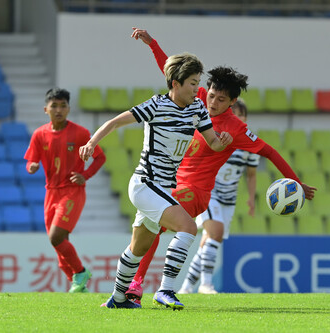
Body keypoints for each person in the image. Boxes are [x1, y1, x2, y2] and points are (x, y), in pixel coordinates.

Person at [125, 27, 317, 302]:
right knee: (148, 228)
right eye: (212, 95)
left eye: (221, 100)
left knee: (156, 224)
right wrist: (152, 43)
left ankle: (147, 287)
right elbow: (172, 75)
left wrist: (296, 181)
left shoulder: (236, 128)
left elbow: (271, 152)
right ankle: (143, 285)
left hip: (197, 190)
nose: (213, 103)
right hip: (172, 181)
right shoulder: (198, 98)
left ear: (233, 102)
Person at [79, 52, 233, 310]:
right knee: (188, 228)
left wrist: (223, 142)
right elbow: (115, 122)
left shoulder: (197, 108)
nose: (199, 89)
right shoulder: (156, 106)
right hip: (144, 183)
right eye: (193, 83)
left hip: (162, 188)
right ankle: (166, 290)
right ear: (176, 83)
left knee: (137, 248)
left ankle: (117, 299)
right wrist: (91, 142)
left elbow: (213, 143)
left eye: (198, 82)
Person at [24, 88, 106, 293]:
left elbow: (100, 157)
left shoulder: (80, 133)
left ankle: (80, 271)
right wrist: (32, 167)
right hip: (50, 192)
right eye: (54, 106)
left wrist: (84, 176)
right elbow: (31, 161)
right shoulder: (39, 134)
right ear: (46, 109)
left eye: (63, 106)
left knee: (55, 237)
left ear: (69, 109)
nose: (58, 110)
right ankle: (78, 286)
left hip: (72, 190)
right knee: (59, 245)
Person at [178, 99, 259, 295]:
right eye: (235, 114)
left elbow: (251, 174)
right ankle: (206, 284)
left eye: (241, 116)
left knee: (210, 242)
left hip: (229, 199)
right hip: (209, 192)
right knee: (215, 234)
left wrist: (251, 198)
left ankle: (187, 286)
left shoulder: (249, 143)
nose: (237, 119)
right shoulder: (215, 136)